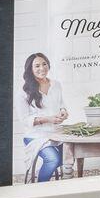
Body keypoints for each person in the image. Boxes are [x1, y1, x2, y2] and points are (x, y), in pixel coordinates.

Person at [16, 52, 67, 184]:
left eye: (44, 64)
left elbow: (61, 104)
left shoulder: (56, 84)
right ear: (30, 69)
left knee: (70, 155)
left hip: (56, 134)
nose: (42, 68)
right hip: (35, 136)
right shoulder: (23, 92)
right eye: (37, 66)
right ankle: (40, 188)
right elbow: (25, 120)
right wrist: (48, 119)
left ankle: (47, 177)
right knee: (53, 159)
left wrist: (63, 112)